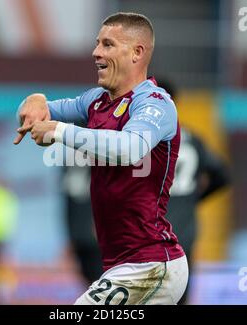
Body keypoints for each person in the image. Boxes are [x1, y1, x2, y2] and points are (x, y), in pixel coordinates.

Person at [14, 12, 188, 305]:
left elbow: (130, 149)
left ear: (137, 52)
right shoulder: (96, 101)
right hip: (122, 264)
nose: (96, 52)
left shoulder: (155, 104)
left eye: (107, 44)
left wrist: (58, 130)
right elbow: (41, 110)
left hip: (150, 264)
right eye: (97, 43)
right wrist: (34, 99)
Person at [158, 80, 229, 304]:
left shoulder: (142, 138)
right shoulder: (192, 138)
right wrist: (192, 200)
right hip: (184, 232)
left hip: (151, 232)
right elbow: (222, 175)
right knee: (180, 297)